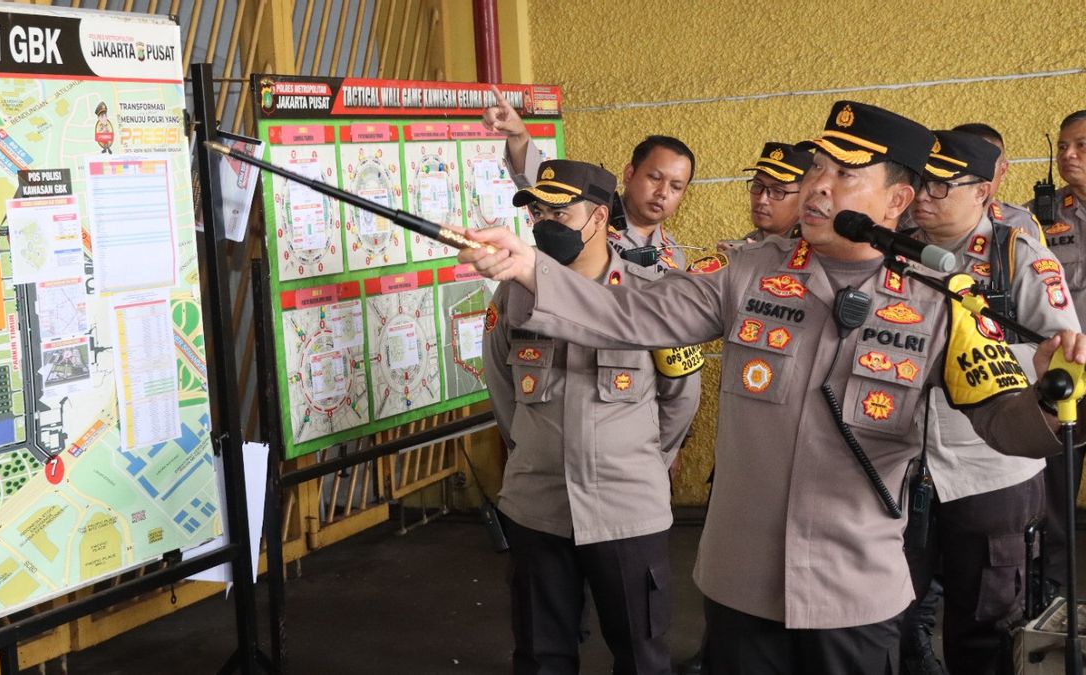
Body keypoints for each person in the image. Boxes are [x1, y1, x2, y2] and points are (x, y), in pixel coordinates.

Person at [459, 100, 1086, 675]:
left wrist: (1053, 392)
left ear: (897, 201)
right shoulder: (746, 274)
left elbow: (1010, 425)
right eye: (817, 168)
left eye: (844, 176)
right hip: (742, 584)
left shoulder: (941, 302)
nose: (817, 186)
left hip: (854, 590)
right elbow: (631, 315)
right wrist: (530, 269)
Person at [485, 159, 700, 675]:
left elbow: (681, 397)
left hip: (625, 506)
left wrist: (645, 459)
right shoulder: (514, 293)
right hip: (538, 504)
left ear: (599, 217)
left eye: (560, 211)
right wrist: (537, 452)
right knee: (541, 655)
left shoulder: (653, 291)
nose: (544, 223)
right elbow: (501, 386)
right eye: (538, 211)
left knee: (641, 654)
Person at [899, 130, 1071, 675]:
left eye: (941, 185)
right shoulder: (891, 248)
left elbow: (1065, 361)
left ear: (983, 192)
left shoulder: (1020, 257)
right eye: (919, 181)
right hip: (900, 468)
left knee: (987, 626)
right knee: (893, 616)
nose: (923, 195)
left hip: (990, 470)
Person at [483, 86, 695, 274]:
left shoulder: (673, 255)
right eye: (655, 178)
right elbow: (539, 187)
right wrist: (519, 135)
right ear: (629, 174)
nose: (663, 192)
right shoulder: (587, 215)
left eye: (676, 187)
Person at [1028, 109, 1086, 596]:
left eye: (1081, 145)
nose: (1068, 155)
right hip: (1069, 373)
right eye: (1064, 145)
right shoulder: (1038, 217)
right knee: (1058, 485)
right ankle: (1053, 590)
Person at [951, 122, 1045, 243]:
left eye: (982, 166)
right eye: (961, 166)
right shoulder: (928, 216)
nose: (972, 176)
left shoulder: (1021, 222)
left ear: (1003, 170)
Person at [735, 141, 811, 244]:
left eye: (778, 191)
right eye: (758, 185)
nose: (761, 200)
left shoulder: (814, 250)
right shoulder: (751, 240)